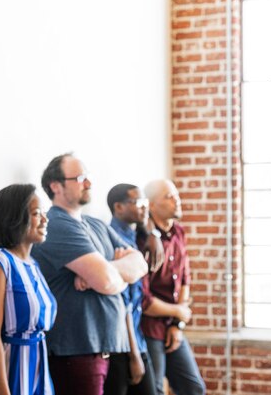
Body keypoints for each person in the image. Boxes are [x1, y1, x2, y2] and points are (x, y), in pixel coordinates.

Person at [31, 153, 148, 395]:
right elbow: (105, 281)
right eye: (80, 178)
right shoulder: (57, 224)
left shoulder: (96, 224)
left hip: (112, 345)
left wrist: (103, 271)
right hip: (77, 350)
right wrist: (110, 274)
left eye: (89, 177)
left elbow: (140, 264)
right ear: (56, 186)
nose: (89, 183)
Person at [0, 184, 58, 395]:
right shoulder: (0, 263)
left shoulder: (33, 263)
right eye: (36, 213)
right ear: (14, 218)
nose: (45, 219)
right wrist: (4, 391)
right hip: (13, 368)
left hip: (39, 367)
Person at [142, 179, 206, 395]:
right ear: (151, 205)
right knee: (156, 389)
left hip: (172, 326)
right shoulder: (143, 240)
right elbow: (144, 300)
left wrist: (177, 323)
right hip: (149, 328)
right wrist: (178, 311)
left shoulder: (178, 232)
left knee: (194, 388)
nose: (176, 200)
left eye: (176, 195)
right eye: (168, 196)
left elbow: (185, 278)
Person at [107, 183, 163, 395]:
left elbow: (148, 222)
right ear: (119, 207)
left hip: (137, 340)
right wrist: (134, 355)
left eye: (145, 202)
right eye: (138, 203)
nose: (144, 208)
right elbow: (123, 304)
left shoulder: (135, 234)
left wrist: (153, 234)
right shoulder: (115, 241)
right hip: (123, 345)